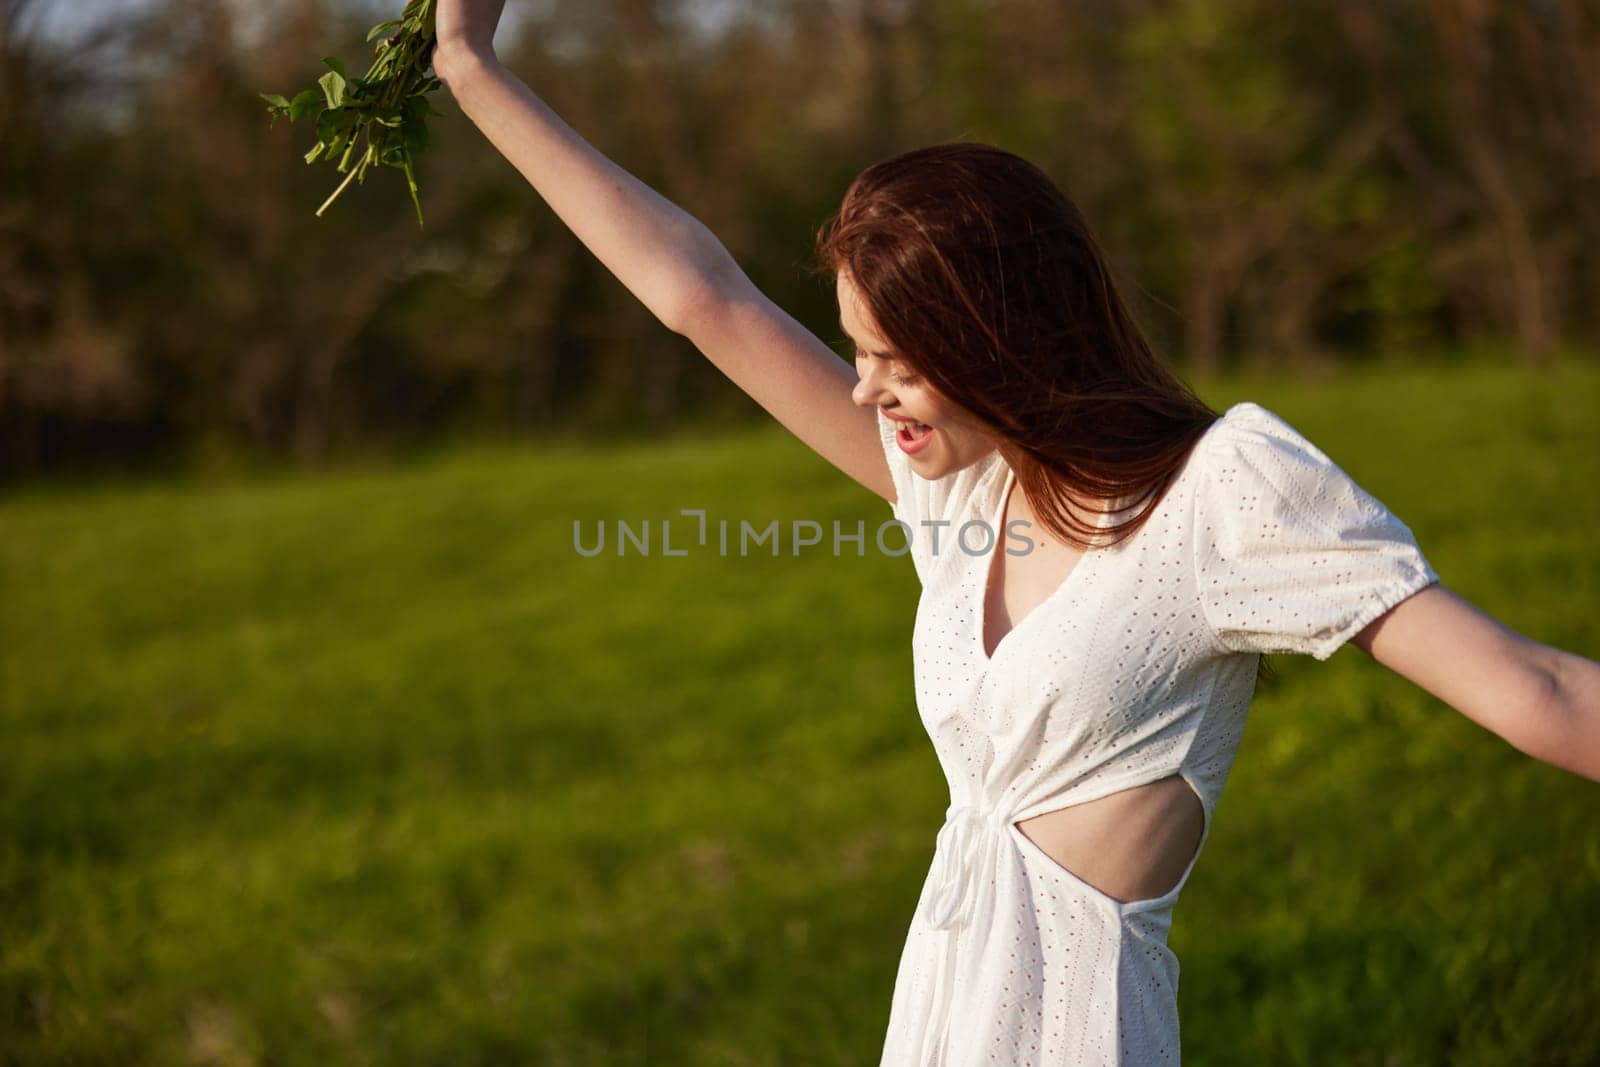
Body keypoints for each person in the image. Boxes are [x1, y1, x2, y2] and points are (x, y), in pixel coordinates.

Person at [431, 3, 1600, 1062]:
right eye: (857, 350)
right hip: (934, 1021)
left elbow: (1537, 689)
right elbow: (707, 300)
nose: (863, 393)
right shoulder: (960, 494)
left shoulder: (1221, 493)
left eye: (899, 360)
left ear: (999, 337)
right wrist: (472, 70)